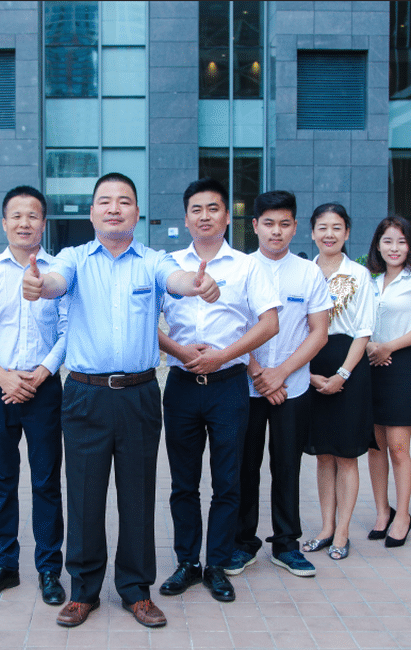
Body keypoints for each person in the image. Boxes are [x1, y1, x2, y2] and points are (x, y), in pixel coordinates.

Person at [22, 172, 219, 629]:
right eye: (105, 201)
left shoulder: (152, 260)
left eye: (124, 201)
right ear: (92, 212)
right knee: (84, 497)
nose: (114, 208)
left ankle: (136, 590)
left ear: (137, 212)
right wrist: (38, 285)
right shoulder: (73, 258)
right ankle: (83, 591)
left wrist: (197, 284)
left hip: (139, 395)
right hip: (85, 395)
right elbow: (54, 282)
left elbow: (176, 279)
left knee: (138, 496)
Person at [157, 178, 279, 602]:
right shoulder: (168, 265)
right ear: (186, 217)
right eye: (196, 209)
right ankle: (187, 563)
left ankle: (218, 564)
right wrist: (180, 351)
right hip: (181, 385)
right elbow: (145, 322)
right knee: (183, 483)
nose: (204, 216)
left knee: (228, 481)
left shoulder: (247, 266)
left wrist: (222, 355)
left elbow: (269, 323)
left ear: (227, 217)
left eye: (213, 208)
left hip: (228, 386)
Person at [0, 186, 67, 604]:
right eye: (17, 216)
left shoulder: (61, 273)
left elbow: (69, 331)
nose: (25, 223)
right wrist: (0, 374)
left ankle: (49, 570)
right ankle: (5, 566)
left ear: (44, 223)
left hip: (44, 388)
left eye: (33, 215)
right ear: (4, 223)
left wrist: (42, 373)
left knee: (46, 482)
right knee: (2, 480)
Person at [227, 190, 331, 579]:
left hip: (293, 387)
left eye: (284, 224)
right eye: (268, 223)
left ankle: (287, 545)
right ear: (254, 225)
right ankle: (243, 543)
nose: (276, 231)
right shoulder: (239, 269)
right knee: (244, 467)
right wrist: (258, 372)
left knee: (287, 466)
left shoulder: (308, 272)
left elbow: (319, 332)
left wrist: (281, 373)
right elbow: (232, 329)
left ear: (295, 227)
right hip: (245, 386)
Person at [303, 203, 375, 561]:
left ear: (346, 233)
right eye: (322, 227)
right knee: (322, 454)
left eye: (336, 227)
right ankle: (326, 528)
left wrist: (342, 374)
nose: (329, 234)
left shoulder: (359, 274)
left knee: (346, 455)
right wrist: (306, 373)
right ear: (312, 232)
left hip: (349, 366)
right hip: (310, 365)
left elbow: (364, 331)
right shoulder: (304, 272)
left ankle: (343, 531)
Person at [364, 216, 411, 547]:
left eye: (401, 241)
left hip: (401, 363)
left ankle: (403, 514)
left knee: (397, 446)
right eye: (388, 241)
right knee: (375, 446)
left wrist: (388, 347)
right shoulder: (369, 280)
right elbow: (357, 320)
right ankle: (383, 511)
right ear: (378, 245)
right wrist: (370, 347)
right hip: (369, 363)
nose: (394, 248)